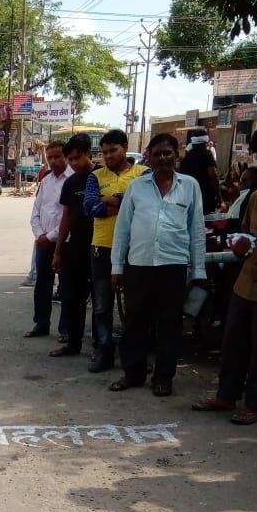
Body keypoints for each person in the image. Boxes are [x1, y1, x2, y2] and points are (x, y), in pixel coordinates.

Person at [193, 144, 257, 424]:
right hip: (245, 285)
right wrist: (240, 245)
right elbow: (246, 233)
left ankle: (255, 404)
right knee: (233, 344)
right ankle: (226, 396)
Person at [109, 132, 206, 397]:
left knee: (169, 325)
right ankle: (133, 373)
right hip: (139, 265)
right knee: (134, 323)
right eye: (157, 153)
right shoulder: (136, 187)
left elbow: (196, 230)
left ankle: (163, 378)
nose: (163, 158)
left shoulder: (190, 186)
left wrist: (198, 270)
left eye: (168, 153)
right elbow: (123, 229)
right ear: (149, 157)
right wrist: (117, 267)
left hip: (173, 266)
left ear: (176, 155)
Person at [83, 129, 148, 372]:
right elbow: (89, 207)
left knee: (135, 305)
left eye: (113, 151)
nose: (108, 156)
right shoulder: (95, 176)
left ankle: (134, 356)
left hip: (136, 248)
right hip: (102, 246)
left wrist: (108, 199)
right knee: (102, 305)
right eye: (105, 152)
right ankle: (104, 350)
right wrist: (124, 203)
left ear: (125, 147)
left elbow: (144, 207)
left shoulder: (143, 174)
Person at [50, 134, 94, 357]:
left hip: (100, 247)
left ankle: (101, 347)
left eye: (78, 158)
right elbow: (65, 218)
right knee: (73, 297)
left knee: (101, 300)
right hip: (75, 247)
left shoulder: (101, 177)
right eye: (71, 159)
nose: (74, 163)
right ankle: (73, 343)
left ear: (88, 154)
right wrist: (58, 252)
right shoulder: (71, 183)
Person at [24, 142, 72, 337]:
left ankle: (66, 328)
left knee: (67, 286)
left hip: (66, 242)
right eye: (50, 157)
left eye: (57, 156)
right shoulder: (46, 180)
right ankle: (41, 323)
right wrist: (40, 235)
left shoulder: (73, 180)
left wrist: (50, 236)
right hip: (43, 241)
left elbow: (68, 217)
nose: (53, 161)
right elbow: (36, 210)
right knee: (42, 284)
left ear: (66, 156)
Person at [178, 128, 220, 216]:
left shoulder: (186, 158)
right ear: (205, 142)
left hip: (188, 197)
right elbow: (213, 177)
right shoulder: (207, 154)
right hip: (205, 197)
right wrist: (219, 196)